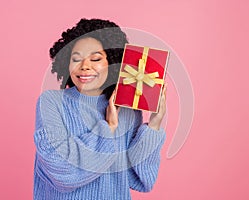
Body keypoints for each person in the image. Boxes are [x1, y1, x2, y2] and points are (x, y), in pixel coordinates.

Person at [33, 18, 167, 200]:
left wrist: (154, 126)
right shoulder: (51, 102)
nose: (84, 66)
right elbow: (60, 171)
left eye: (95, 58)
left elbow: (137, 179)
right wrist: (108, 128)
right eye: (76, 59)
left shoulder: (126, 109)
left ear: (113, 61)